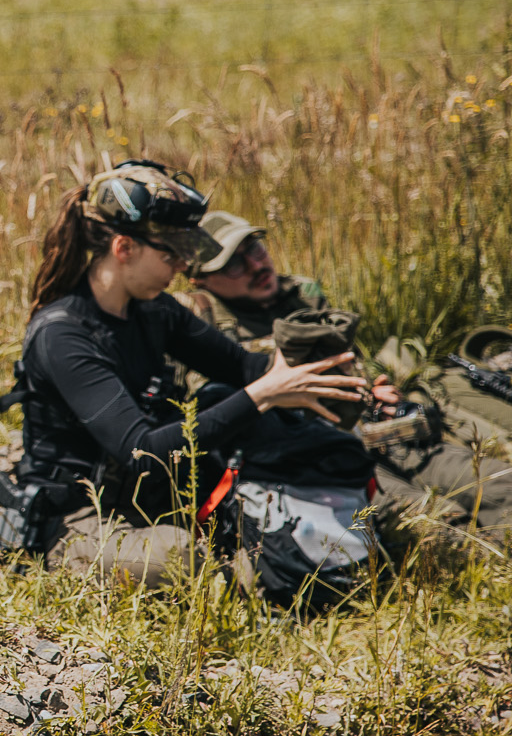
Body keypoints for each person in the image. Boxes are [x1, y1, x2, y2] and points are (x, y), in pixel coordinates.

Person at [0, 162, 371, 589]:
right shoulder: (62, 335)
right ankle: (260, 574)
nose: (180, 267)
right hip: (81, 517)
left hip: (161, 496)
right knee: (178, 559)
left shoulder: (154, 308)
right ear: (124, 249)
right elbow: (142, 452)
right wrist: (264, 395)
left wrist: (316, 371)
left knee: (275, 433)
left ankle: (286, 556)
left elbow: (243, 368)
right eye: (171, 254)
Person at [183, 212, 512, 547]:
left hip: (381, 436)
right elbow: (213, 408)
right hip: (316, 461)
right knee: (437, 527)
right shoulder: (198, 325)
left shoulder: (302, 296)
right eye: (233, 265)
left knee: (500, 485)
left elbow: (348, 364)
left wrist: (371, 391)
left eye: (254, 249)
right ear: (200, 279)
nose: (256, 266)